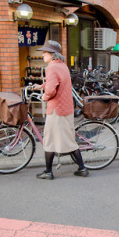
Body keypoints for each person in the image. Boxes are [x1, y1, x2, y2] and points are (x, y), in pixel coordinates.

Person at [33, 40, 89, 180]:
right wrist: (41, 86)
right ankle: (81, 168)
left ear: (52, 54)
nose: (43, 55)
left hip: (56, 110)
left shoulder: (51, 67)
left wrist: (44, 97)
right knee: (68, 139)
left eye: (45, 52)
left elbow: (52, 89)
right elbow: (56, 82)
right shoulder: (62, 65)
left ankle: (48, 172)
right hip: (66, 108)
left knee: (50, 141)